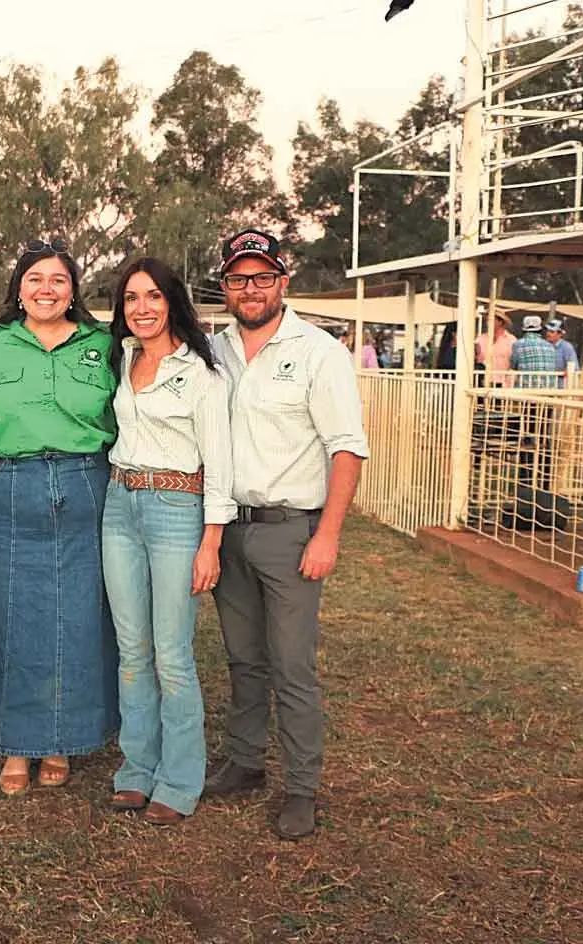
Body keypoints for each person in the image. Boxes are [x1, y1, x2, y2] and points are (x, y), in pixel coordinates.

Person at [202, 229, 369, 840]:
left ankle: (302, 785)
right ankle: (244, 762)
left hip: (290, 530)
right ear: (226, 287)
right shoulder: (212, 352)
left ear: (282, 283)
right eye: (240, 279)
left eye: (262, 277)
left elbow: (346, 449)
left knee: (291, 664)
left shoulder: (319, 351)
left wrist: (327, 536)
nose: (251, 289)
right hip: (230, 526)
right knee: (244, 658)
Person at [0, 238, 119, 796]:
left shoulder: (104, 346)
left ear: (74, 289)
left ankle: (62, 741)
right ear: (19, 289)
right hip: (10, 484)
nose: (46, 289)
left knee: (79, 613)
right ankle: (13, 744)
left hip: (86, 481)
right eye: (35, 279)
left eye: (58, 279)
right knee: (9, 613)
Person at [101, 258, 235, 827]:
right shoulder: (123, 358)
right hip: (118, 506)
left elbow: (220, 464)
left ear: (172, 301)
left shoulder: (201, 372)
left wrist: (211, 541)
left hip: (178, 510)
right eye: (131, 298)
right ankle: (137, 769)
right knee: (131, 652)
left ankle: (179, 780)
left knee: (172, 655)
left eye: (152, 296)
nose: (142, 308)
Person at [510, 314, 560, 389]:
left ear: (523, 329)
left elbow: (513, 366)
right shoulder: (550, 346)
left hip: (526, 390)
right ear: (540, 330)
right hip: (549, 390)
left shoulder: (518, 344)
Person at [476, 308, 514, 386]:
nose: (487, 323)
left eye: (490, 320)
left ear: (500, 322)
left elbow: (513, 363)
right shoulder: (480, 339)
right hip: (483, 383)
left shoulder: (511, 340)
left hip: (503, 384)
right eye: (486, 321)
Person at [545, 318, 579, 386]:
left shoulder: (566, 347)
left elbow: (574, 366)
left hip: (561, 385)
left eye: (552, 331)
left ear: (560, 334)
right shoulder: (544, 345)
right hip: (546, 384)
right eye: (548, 331)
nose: (548, 333)